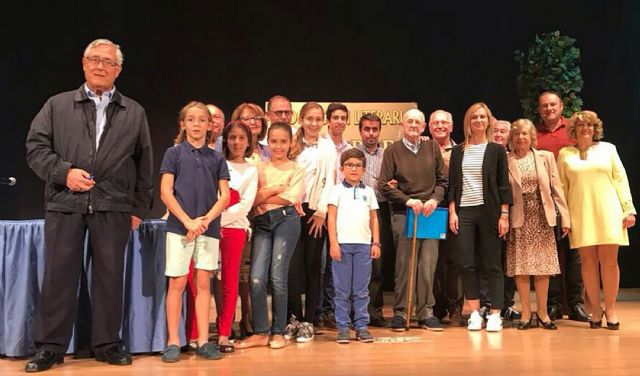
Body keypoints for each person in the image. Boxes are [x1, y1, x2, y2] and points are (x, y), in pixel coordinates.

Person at [24, 39, 153, 372]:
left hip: (114, 206)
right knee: (58, 276)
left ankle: (107, 344)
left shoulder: (134, 111)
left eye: (108, 62)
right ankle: (50, 347)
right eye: (95, 60)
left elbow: (144, 163)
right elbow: (35, 148)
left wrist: (138, 207)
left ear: (118, 70)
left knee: (110, 278)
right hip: (65, 203)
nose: (100, 66)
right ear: (83, 63)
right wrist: (63, 173)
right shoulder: (57, 105)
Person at [159, 101, 230, 362]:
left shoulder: (217, 157)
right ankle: (173, 341)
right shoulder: (173, 154)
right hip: (179, 227)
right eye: (191, 119)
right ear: (183, 124)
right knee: (177, 282)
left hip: (208, 229)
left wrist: (204, 221)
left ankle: (203, 341)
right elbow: (166, 191)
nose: (197, 124)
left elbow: (224, 196)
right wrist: (188, 221)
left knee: (203, 283)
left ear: (210, 125)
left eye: (202, 120)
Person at [557, 111, 636, 329]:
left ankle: (610, 309)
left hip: (609, 210)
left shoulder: (608, 149)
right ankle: (596, 310)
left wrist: (628, 209)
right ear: (574, 129)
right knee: (588, 263)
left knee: (609, 262)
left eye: (590, 125)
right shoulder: (565, 154)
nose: (585, 128)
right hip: (580, 212)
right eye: (581, 125)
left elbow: (621, 178)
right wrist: (564, 217)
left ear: (595, 128)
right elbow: (561, 188)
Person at [236, 123, 305, 349]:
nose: (278, 146)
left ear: (290, 143)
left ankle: (278, 331)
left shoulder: (296, 168)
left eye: (283, 142)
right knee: (256, 277)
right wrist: (275, 189)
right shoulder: (259, 168)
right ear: (268, 142)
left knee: (277, 275)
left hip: (287, 220)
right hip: (262, 223)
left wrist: (265, 196)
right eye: (274, 141)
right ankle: (260, 331)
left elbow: (292, 198)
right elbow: (252, 199)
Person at [379, 109, 448, 332]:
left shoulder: (431, 148)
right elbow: (383, 186)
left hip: (430, 213)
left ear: (424, 125)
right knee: (404, 265)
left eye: (417, 122)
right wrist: (408, 201)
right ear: (402, 124)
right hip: (404, 213)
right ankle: (401, 312)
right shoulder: (392, 151)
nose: (413, 125)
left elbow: (443, 180)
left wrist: (435, 200)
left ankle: (426, 312)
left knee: (428, 265)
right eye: (409, 121)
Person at [448, 102, 512, 332]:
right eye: (474, 117)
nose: (478, 120)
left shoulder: (496, 150)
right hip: (464, 212)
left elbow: (504, 185)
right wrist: (453, 210)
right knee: (466, 262)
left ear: (488, 121)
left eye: (482, 117)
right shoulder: (458, 151)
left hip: (490, 211)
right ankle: (474, 312)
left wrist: (504, 214)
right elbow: (453, 184)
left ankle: (495, 313)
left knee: (492, 263)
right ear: (468, 121)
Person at [505, 119, 570, 330]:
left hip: (542, 217)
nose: (521, 138)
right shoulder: (506, 160)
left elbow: (556, 188)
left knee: (543, 267)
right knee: (521, 267)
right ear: (512, 139)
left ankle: (543, 313)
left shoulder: (545, 157)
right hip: (519, 218)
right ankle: (525, 313)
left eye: (524, 134)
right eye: (517, 134)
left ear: (531, 136)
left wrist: (565, 217)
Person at [536, 91, 588, 322]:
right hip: (545, 204)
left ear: (561, 106)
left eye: (552, 104)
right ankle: (554, 304)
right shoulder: (534, 134)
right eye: (544, 106)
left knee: (574, 254)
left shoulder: (572, 132)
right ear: (539, 109)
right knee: (551, 255)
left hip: (572, 201)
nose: (549, 108)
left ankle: (577, 304)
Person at [288, 102, 337, 333]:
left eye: (318, 119)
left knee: (313, 264)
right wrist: (291, 200)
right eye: (310, 119)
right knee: (293, 265)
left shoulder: (328, 148)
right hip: (292, 208)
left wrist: (320, 212)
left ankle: (310, 317)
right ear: (301, 120)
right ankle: (294, 316)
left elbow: (330, 180)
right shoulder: (292, 144)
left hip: (315, 211)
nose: (314, 123)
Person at [327, 148, 380, 344]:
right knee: (341, 290)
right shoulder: (336, 190)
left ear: (364, 169)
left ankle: (361, 326)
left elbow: (374, 218)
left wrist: (375, 242)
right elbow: (330, 217)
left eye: (358, 165)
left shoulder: (369, 192)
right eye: (349, 165)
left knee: (361, 290)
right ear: (342, 168)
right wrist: (333, 242)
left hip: (364, 246)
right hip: (342, 245)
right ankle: (342, 327)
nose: (354, 169)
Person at [217, 122, 259, 352]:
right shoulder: (217, 163)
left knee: (231, 280)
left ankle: (224, 333)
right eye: (232, 137)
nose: (236, 142)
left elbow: (245, 205)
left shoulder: (252, 170)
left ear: (248, 141)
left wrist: (215, 222)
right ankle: (196, 333)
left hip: (234, 229)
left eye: (241, 138)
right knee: (204, 281)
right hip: (211, 228)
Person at [230, 102, 269, 337]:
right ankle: (239, 318)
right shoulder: (231, 151)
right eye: (247, 118)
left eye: (257, 118)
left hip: (264, 218)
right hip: (238, 217)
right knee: (237, 272)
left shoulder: (268, 150)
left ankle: (253, 317)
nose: (252, 122)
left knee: (255, 272)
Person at [316, 102, 353, 329]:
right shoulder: (320, 146)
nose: (339, 121)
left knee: (335, 263)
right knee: (319, 263)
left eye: (343, 118)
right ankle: (318, 311)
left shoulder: (349, 149)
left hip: (343, 213)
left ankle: (331, 310)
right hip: (320, 211)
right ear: (328, 120)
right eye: (335, 117)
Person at [428, 110, 464, 325]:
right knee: (432, 261)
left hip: (454, 209)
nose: (440, 126)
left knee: (455, 261)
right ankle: (435, 307)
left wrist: (454, 209)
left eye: (444, 123)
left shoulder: (460, 150)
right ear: (429, 127)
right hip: (430, 210)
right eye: (435, 123)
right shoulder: (424, 149)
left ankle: (456, 307)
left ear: (451, 127)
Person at [357, 113, 393, 328]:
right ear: (360, 131)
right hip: (357, 212)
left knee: (377, 266)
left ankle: (375, 312)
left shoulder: (388, 154)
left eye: (374, 129)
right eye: (367, 129)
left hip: (381, 211)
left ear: (380, 131)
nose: (371, 133)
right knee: (358, 264)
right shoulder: (352, 154)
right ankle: (357, 311)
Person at [490, 120, 520, 321]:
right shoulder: (485, 156)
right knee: (491, 261)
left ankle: (507, 304)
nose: (499, 134)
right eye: (495, 131)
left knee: (510, 261)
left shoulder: (515, 158)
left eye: (503, 131)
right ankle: (490, 304)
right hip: (490, 215)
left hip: (515, 215)